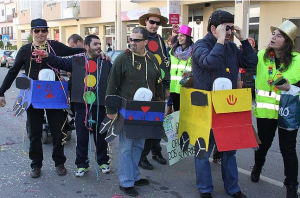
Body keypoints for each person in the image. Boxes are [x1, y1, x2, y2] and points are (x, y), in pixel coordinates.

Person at [0, 18, 85, 178]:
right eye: (37, 31)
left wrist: (95, 52)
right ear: (32, 33)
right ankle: (36, 165)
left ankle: (59, 163)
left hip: (55, 95)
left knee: (59, 132)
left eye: (43, 30)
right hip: (33, 96)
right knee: (35, 132)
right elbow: (13, 72)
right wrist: (1, 91)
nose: (40, 34)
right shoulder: (25, 51)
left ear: (47, 32)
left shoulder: (55, 47)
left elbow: (75, 52)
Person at [192, 10, 258, 198]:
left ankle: (233, 188)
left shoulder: (231, 47)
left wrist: (244, 40)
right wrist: (221, 40)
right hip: (206, 107)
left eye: (231, 28)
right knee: (204, 152)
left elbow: (251, 61)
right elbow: (209, 63)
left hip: (228, 107)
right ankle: (205, 189)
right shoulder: (200, 45)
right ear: (214, 28)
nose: (230, 32)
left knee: (229, 151)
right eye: (226, 28)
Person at [38, 35, 112, 177]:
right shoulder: (76, 60)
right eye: (95, 44)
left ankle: (103, 162)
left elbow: (114, 78)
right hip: (81, 105)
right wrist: (47, 56)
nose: (98, 46)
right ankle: (82, 165)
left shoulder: (106, 61)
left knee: (101, 136)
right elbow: (59, 62)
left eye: (99, 44)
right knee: (82, 137)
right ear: (86, 46)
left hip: (100, 105)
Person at [105, 26, 164, 197]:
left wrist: (161, 105)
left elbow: (158, 83)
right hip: (126, 110)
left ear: (146, 41)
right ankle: (126, 181)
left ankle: (134, 176)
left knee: (139, 145)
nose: (132, 43)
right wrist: (110, 109)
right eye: (131, 39)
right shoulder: (123, 58)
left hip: (147, 112)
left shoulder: (152, 59)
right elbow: (112, 84)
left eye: (136, 40)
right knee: (126, 147)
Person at [251, 20, 300, 198]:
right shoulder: (261, 55)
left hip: (288, 112)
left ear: (287, 41)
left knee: (288, 149)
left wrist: (291, 88)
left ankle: (291, 185)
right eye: (273, 34)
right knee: (262, 146)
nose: (273, 37)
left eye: (279, 35)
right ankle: (257, 166)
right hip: (265, 112)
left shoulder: (298, 61)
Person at [138, 7, 169, 170]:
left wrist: (166, 85)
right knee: (145, 124)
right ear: (145, 21)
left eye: (157, 23)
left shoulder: (160, 40)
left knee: (157, 123)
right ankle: (142, 156)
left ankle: (156, 152)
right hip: (143, 88)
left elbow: (165, 62)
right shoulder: (139, 37)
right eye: (152, 22)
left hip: (158, 87)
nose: (155, 25)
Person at [169, 24, 193, 111]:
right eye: (178, 35)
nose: (179, 38)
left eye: (182, 36)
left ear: (188, 37)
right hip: (173, 88)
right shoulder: (173, 51)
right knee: (176, 112)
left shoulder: (193, 53)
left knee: (185, 113)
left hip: (185, 88)